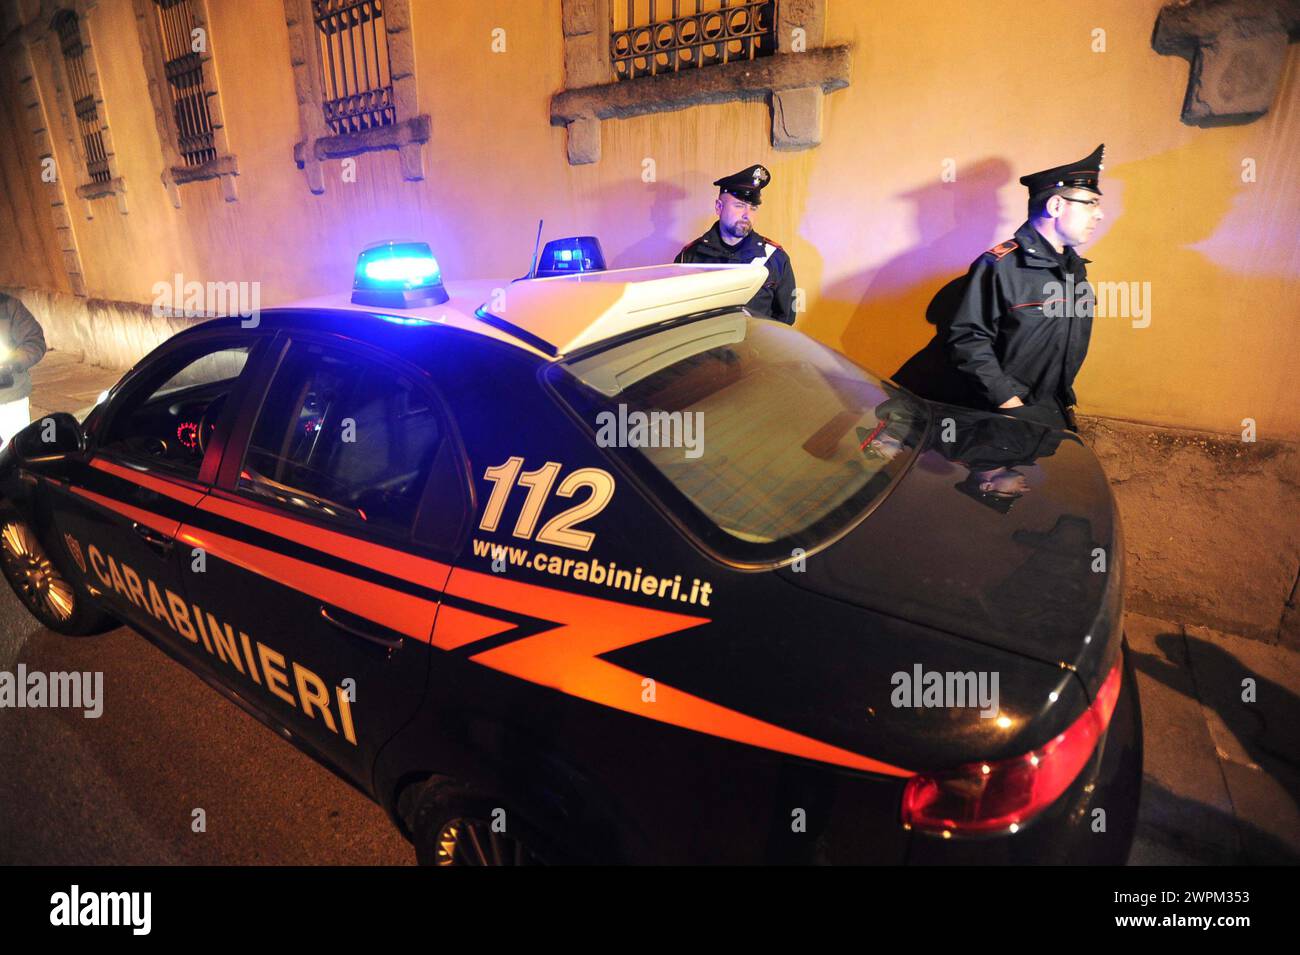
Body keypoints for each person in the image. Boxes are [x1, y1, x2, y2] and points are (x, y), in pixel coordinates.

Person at [946, 144, 1106, 431]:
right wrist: (1011, 406)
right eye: (1091, 203)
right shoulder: (1000, 266)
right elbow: (968, 340)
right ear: (1056, 205)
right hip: (1004, 417)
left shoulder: (1074, 270)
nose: (1099, 214)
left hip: (1052, 411)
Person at [675, 164, 797, 324]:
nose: (747, 215)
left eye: (753, 208)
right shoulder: (689, 256)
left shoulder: (775, 259)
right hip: (707, 348)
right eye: (739, 206)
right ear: (719, 207)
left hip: (754, 348)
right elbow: (678, 316)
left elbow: (784, 321)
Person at [0, 293, 47, 447]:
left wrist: (11, 362)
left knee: (11, 454)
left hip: (9, 400)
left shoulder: (9, 306)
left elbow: (34, 341)